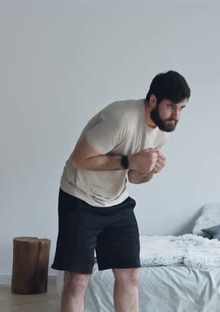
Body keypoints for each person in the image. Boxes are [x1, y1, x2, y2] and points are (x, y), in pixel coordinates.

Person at [52, 70, 191, 312]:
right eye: (171, 107)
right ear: (153, 100)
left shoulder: (161, 131)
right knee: (77, 280)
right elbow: (79, 159)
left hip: (116, 201)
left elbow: (134, 178)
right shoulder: (121, 118)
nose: (176, 116)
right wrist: (130, 161)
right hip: (79, 198)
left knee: (129, 275)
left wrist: (148, 170)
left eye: (182, 108)